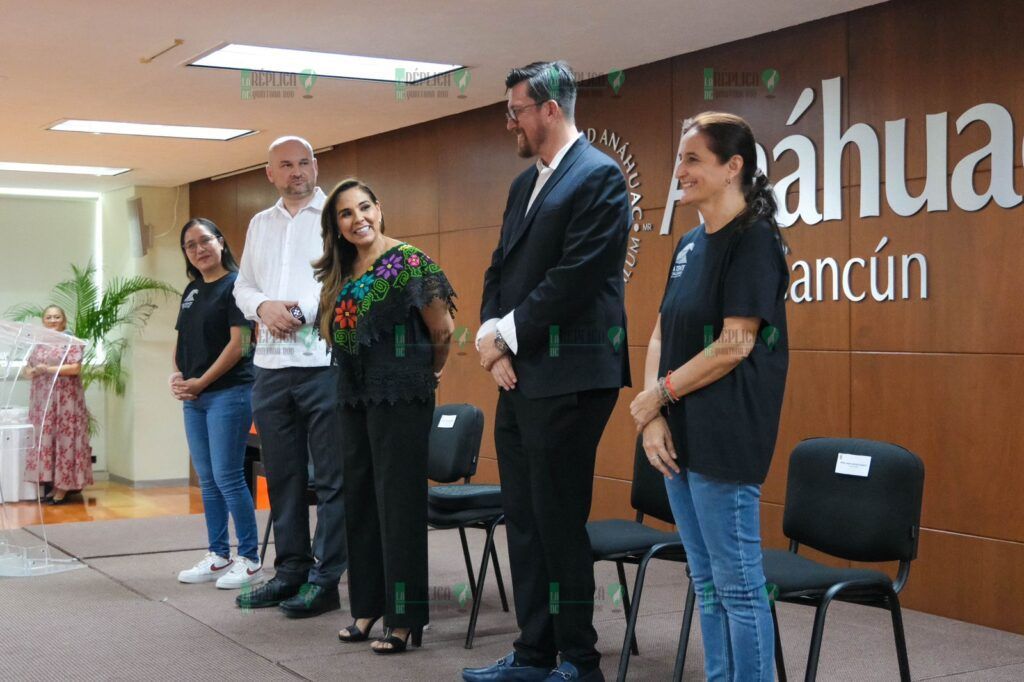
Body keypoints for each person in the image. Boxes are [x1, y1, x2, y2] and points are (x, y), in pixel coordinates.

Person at [464, 61, 630, 682]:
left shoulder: (600, 177)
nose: (510, 121)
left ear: (551, 109)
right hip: (522, 374)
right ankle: (534, 653)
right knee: (525, 518)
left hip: (575, 374)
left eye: (517, 110)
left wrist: (507, 333)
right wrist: (492, 339)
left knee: (559, 521)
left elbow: (577, 278)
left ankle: (580, 662)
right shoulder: (522, 185)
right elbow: (500, 271)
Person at [629, 112, 789, 682]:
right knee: (706, 583)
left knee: (740, 586)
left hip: (727, 436)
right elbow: (658, 334)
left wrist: (660, 394)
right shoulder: (689, 244)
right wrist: (652, 416)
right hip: (676, 437)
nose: (680, 171)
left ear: (733, 168)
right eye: (680, 158)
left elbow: (736, 343)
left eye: (693, 159)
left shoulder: (755, 239)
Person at [314, 177, 455, 654]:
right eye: (346, 214)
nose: (359, 220)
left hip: (403, 396)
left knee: (398, 506)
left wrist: (424, 374)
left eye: (365, 208)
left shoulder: (411, 262)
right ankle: (368, 607)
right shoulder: (341, 271)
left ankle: (405, 619)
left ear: (380, 208)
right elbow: (332, 335)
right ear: (335, 226)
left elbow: (443, 330)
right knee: (360, 503)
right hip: (353, 396)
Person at [232, 136, 348, 618]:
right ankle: (290, 573)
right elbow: (244, 285)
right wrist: (263, 307)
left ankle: (326, 580)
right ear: (270, 173)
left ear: (316, 167)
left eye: (304, 163)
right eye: (286, 164)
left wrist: (299, 309)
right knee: (283, 476)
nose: (297, 171)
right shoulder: (260, 223)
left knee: (332, 478)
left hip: (323, 364)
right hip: (272, 367)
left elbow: (346, 275)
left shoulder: (337, 215)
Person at [171, 218, 261, 589]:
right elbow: (181, 342)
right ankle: (218, 554)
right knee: (208, 479)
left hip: (229, 393)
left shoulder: (237, 286)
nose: (199, 249)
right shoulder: (191, 291)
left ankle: (250, 558)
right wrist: (176, 377)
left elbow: (242, 344)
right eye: (190, 245)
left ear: (221, 242)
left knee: (227, 476)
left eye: (204, 241)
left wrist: (202, 382)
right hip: (194, 397)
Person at [22, 305, 92, 504]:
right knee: (46, 440)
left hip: (65, 400)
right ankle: (52, 486)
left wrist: (48, 368)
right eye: (49, 317)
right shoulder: (36, 343)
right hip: (42, 401)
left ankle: (63, 488)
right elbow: (27, 370)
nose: (52, 320)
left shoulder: (71, 341)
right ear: (43, 320)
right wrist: (33, 372)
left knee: (64, 440)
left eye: (57, 317)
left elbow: (75, 368)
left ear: (64, 320)